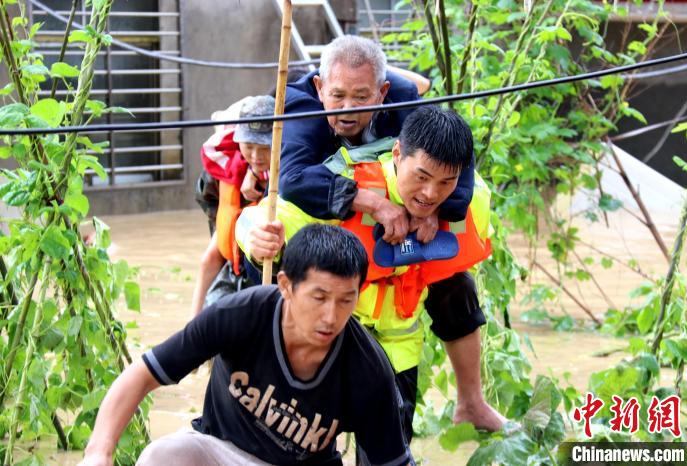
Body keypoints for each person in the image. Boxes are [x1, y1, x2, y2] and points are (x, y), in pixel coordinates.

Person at [238, 107, 504, 451]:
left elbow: (470, 216)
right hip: (329, 341)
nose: (430, 193)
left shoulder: (466, 201)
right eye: (421, 177)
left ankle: (471, 403)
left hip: (399, 350)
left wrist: (437, 213)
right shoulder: (350, 183)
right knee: (304, 449)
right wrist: (255, 235)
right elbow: (259, 217)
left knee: (391, 454)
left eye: (445, 183)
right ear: (397, 154)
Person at [279, 35, 504, 432]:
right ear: (320, 88)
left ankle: (471, 402)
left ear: (382, 92)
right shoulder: (300, 105)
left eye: (361, 97)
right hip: (325, 220)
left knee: (457, 286)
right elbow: (292, 182)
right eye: (338, 97)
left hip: (401, 229)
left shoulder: (402, 96)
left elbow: (457, 159)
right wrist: (371, 202)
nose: (348, 109)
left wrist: (439, 209)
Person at [79, 224, 413, 466]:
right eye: (319, 297)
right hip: (220, 452)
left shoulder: (368, 368)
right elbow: (144, 373)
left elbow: (391, 461)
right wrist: (98, 452)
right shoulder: (239, 314)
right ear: (286, 285)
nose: (330, 316)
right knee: (161, 457)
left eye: (345, 300)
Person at [189, 95, 274, 318]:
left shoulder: (288, 176)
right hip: (234, 267)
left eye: (265, 148)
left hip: (269, 277)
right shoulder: (224, 172)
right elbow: (209, 205)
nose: (256, 156)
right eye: (249, 146)